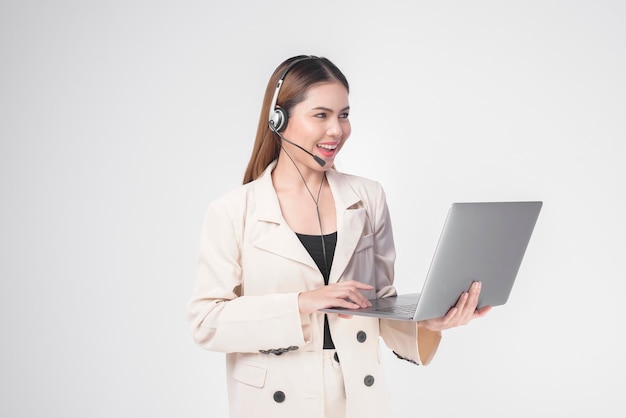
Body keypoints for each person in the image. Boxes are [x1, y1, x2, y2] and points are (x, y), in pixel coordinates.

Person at [187, 55, 491, 418]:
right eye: (321, 115)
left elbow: (378, 306)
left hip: (357, 397)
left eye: (343, 115)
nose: (337, 130)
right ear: (278, 120)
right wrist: (302, 302)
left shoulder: (368, 197)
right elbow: (206, 323)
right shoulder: (233, 210)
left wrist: (429, 323)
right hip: (275, 401)